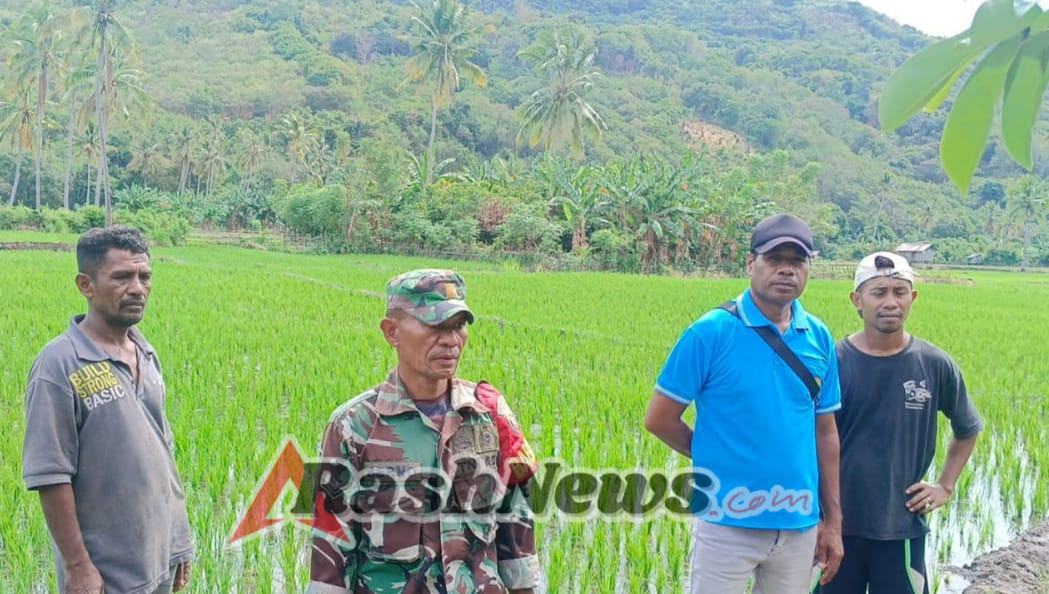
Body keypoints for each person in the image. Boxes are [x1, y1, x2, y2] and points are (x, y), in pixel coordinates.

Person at [307, 269, 540, 594]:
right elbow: (330, 555)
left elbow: (516, 534)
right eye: (435, 326)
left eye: (458, 326)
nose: (451, 340)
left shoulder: (490, 413)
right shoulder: (352, 427)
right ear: (392, 332)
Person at [645, 214, 844, 593]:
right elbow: (660, 418)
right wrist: (713, 453)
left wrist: (832, 521)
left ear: (808, 269)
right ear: (751, 263)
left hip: (799, 525)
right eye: (774, 259)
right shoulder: (710, 333)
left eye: (797, 261)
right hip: (726, 523)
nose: (786, 270)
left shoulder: (818, 336)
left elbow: (826, 432)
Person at [22, 226, 193, 594]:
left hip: (158, 560)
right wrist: (78, 567)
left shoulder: (145, 353)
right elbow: (51, 475)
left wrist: (179, 542)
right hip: (105, 576)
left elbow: (164, 454)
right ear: (86, 285)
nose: (138, 288)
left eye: (144, 276)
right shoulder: (59, 364)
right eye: (121, 277)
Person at [820, 252, 982, 594]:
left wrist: (945, 486)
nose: (890, 302)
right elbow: (809, 440)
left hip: (902, 529)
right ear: (857, 300)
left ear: (913, 298)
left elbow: (967, 429)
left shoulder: (935, 365)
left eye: (899, 291)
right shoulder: (832, 362)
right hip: (837, 528)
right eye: (878, 292)